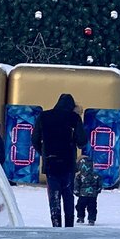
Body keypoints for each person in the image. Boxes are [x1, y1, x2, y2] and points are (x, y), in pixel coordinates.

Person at [32, 93, 87, 227]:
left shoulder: (44, 116)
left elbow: (35, 140)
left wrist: (44, 153)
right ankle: (69, 224)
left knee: (54, 195)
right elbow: (82, 141)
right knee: (68, 195)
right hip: (68, 162)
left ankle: (55, 223)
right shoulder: (74, 118)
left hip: (50, 162)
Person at [74, 154, 102, 224]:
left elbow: (77, 184)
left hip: (82, 195)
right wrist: (98, 190)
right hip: (93, 195)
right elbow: (99, 184)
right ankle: (91, 219)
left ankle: (80, 217)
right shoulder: (96, 175)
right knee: (92, 207)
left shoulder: (80, 176)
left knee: (80, 206)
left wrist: (76, 191)